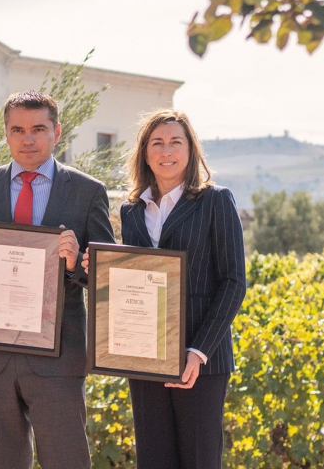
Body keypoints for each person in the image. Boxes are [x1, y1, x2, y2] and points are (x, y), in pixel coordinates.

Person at [0, 90, 115, 469]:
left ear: (57, 132)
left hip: (58, 355)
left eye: (38, 128)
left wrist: (74, 265)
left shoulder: (87, 192)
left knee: (66, 461)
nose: (28, 138)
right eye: (17, 129)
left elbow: (107, 278)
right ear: (5, 133)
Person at [84, 109, 245, 469]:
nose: (166, 150)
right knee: (154, 460)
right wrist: (98, 270)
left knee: (200, 460)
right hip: (144, 357)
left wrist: (198, 351)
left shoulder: (215, 200)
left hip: (201, 359)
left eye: (176, 142)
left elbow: (234, 281)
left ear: (190, 150)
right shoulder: (130, 210)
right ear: (144, 152)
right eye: (157, 142)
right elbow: (133, 279)